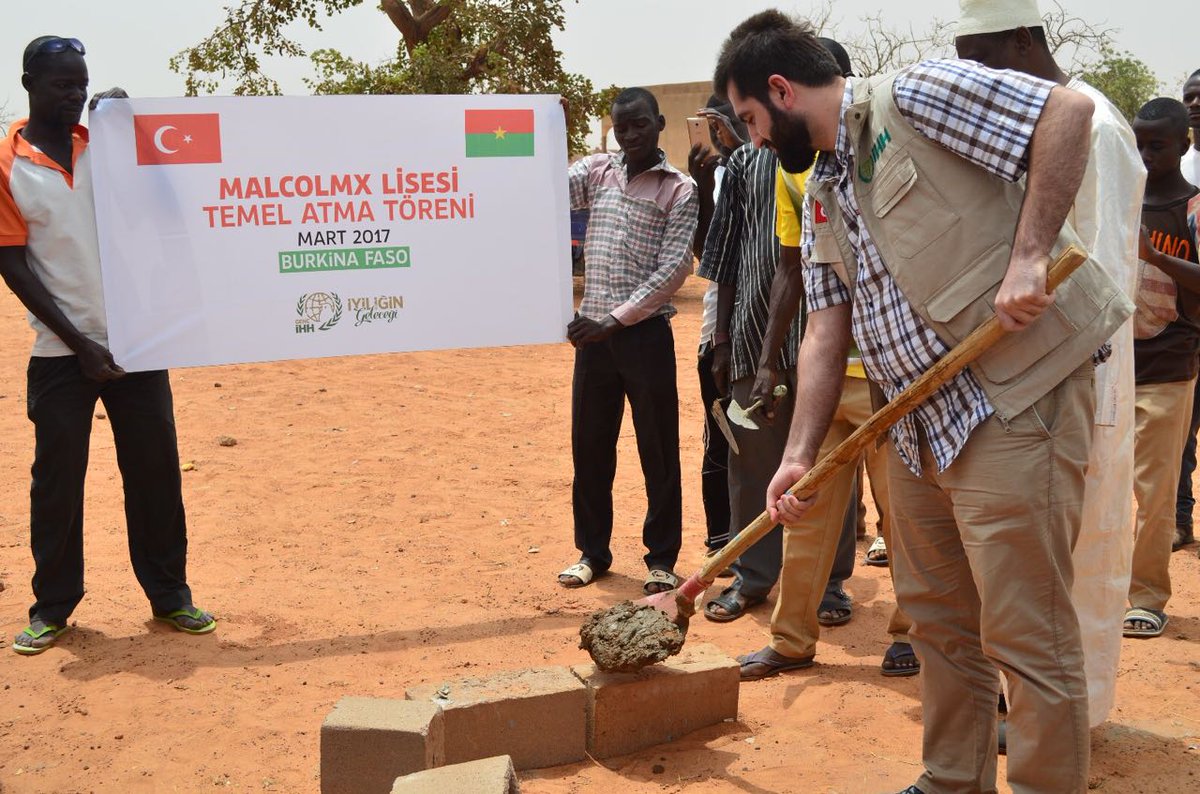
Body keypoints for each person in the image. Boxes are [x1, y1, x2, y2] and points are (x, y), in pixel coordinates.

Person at [716, 10, 1130, 794]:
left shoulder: (911, 97)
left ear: (780, 89)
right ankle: (952, 779)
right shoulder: (824, 190)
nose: (754, 140)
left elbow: (1064, 113)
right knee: (940, 624)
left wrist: (1031, 253)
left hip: (1015, 400)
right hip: (914, 426)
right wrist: (800, 455)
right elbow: (826, 324)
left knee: (1027, 635)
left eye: (750, 120)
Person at [954, 0, 1146, 730]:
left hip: (1083, 367)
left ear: (1024, 40)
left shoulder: (1092, 124)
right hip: (1041, 369)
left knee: (1080, 543)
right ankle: (1040, 710)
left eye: (985, 62)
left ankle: (1073, 719)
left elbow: (1084, 272)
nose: (979, 80)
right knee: (1037, 551)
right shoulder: (1043, 122)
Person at [1, 36, 216, 655]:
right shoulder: (6, 163)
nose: (73, 95)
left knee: (154, 473)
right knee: (57, 483)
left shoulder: (109, 148)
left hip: (136, 344)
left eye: (81, 83)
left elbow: (170, 208)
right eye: (60, 84)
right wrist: (80, 344)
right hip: (60, 354)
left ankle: (171, 596)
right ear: (29, 85)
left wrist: (136, 134)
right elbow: (12, 265)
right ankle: (52, 607)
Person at [737, 160, 919, 679]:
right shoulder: (792, 170)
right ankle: (790, 639)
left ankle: (912, 632)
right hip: (825, 380)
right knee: (804, 510)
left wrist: (897, 371)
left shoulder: (879, 149)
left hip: (893, 378)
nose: (759, 138)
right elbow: (790, 266)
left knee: (903, 515)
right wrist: (770, 359)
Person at [557, 87, 698, 595]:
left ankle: (661, 559)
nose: (631, 134)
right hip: (591, 341)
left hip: (643, 338)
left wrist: (614, 320)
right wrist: (551, 132)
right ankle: (591, 553)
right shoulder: (596, 173)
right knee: (590, 450)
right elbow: (543, 188)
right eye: (622, 126)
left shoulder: (679, 189)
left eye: (640, 124)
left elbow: (673, 268)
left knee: (657, 450)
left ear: (659, 123)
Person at [1124, 97, 1200, 638]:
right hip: (1109, 366)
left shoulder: (1193, 209)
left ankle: (1147, 595)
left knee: (1153, 494)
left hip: (1169, 366)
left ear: (1184, 146)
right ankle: (1100, 589)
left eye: (1158, 145)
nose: (1146, 155)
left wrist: (1157, 258)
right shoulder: (1118, 201)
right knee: (1094, 486)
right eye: (1139, 144)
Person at [689, 95, 741, 560]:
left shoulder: (774, 167)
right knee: (720, 437)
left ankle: (770, 547)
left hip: (769, 331)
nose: (718, 134)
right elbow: (707, 256)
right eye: (711, 126)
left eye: (724, 123)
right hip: (716, 332)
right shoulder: (714, 177)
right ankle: (721, 541)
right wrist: (703, 187)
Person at [1173, 69, 1200, 553]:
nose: (1196, 103)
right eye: (1189, 97)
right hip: (1185, 320)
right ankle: (1179, 520)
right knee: (1180, 432)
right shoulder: (1180, 168)